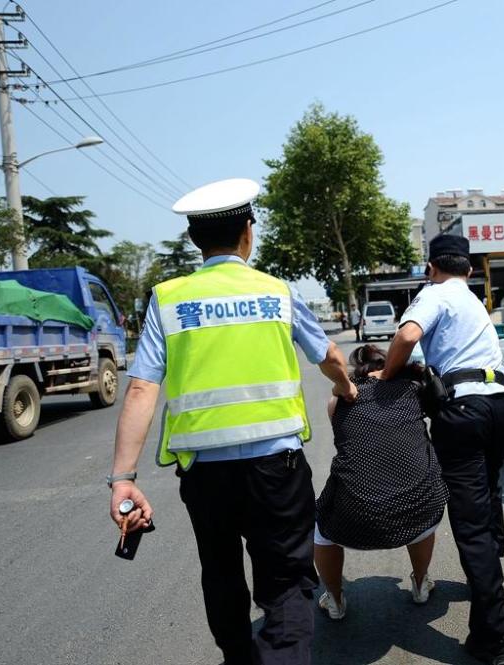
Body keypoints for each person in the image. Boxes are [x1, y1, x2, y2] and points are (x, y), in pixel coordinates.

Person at [107, 178, 358, 665]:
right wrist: (345, 386)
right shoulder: (275, 292)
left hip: (205, 475)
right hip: (277, 470)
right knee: (286, 582)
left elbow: (140, 387)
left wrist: (122, 479)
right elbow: (327, 354)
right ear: (249, 233)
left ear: (194, 241)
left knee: (220, 572)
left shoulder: (169, 299)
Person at [378, 234, 504, 665]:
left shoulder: (435, 293)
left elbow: (406, 336)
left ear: (431, 268)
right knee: (489, 496)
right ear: (470, 270)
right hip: (502, 405)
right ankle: (485, 614)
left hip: (464, 411)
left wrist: (385, 379)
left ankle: (499, 637)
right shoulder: (474, 300)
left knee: (471, 522)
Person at [314, 344, 449, 620]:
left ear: (358, 371)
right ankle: (421, 583)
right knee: (423, 510)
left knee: (321, 533)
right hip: (418, 507)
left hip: (356, 513)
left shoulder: (339, 399)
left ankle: (335, 600)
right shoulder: (412, 390)